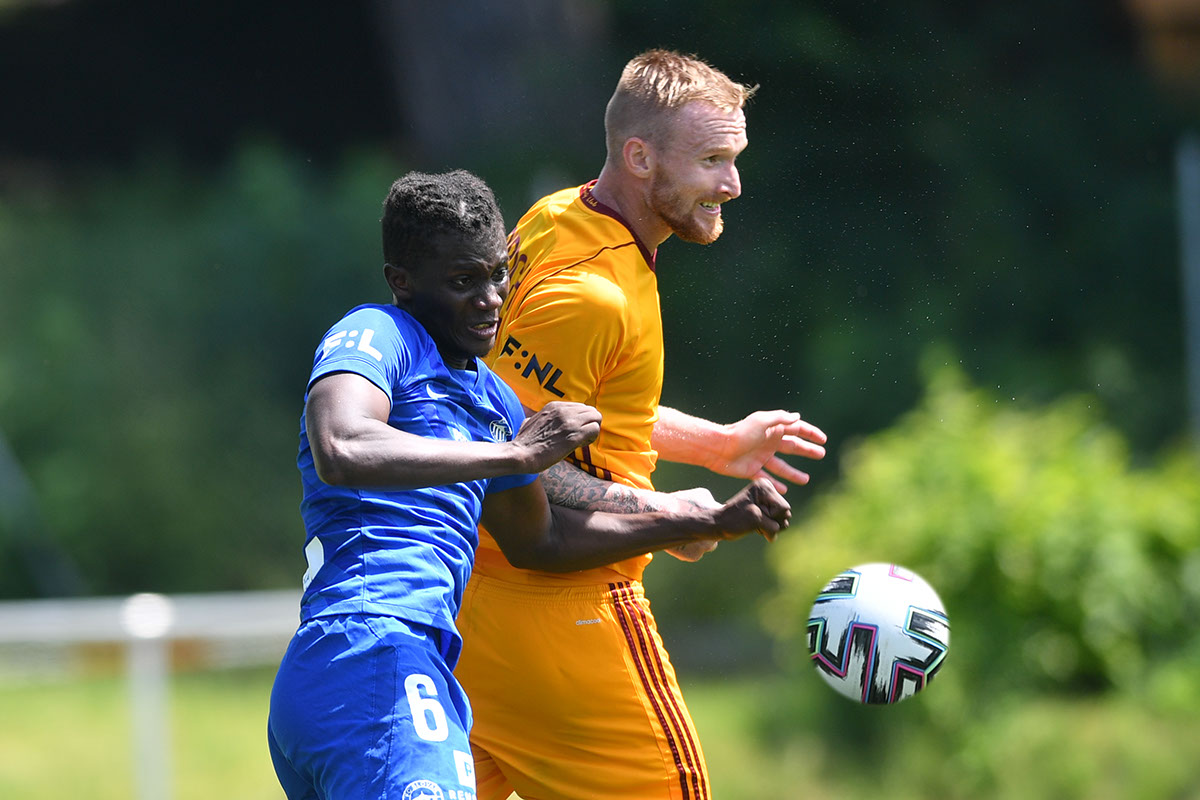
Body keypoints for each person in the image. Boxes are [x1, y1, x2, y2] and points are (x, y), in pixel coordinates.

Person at [265, 169, 792, 800]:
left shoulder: (491, 400)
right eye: (463, 281)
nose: (490, 299)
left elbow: (541, 541)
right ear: (401, 281)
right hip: (372, 649)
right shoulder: (380, 334)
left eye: (497, 274)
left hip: (409, 660)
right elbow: (342, 445)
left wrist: (701, 520)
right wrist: (515, 454)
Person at [454, 51, 829, 800]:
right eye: (712, 161)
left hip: (470, 612)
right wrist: (669, 514)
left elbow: (558, 413)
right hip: (560, 615)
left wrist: (717, 444)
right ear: (639, 157)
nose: (733, 184)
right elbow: (503, 455)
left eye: (735, 158)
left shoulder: (557, 215)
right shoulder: (594, 295)